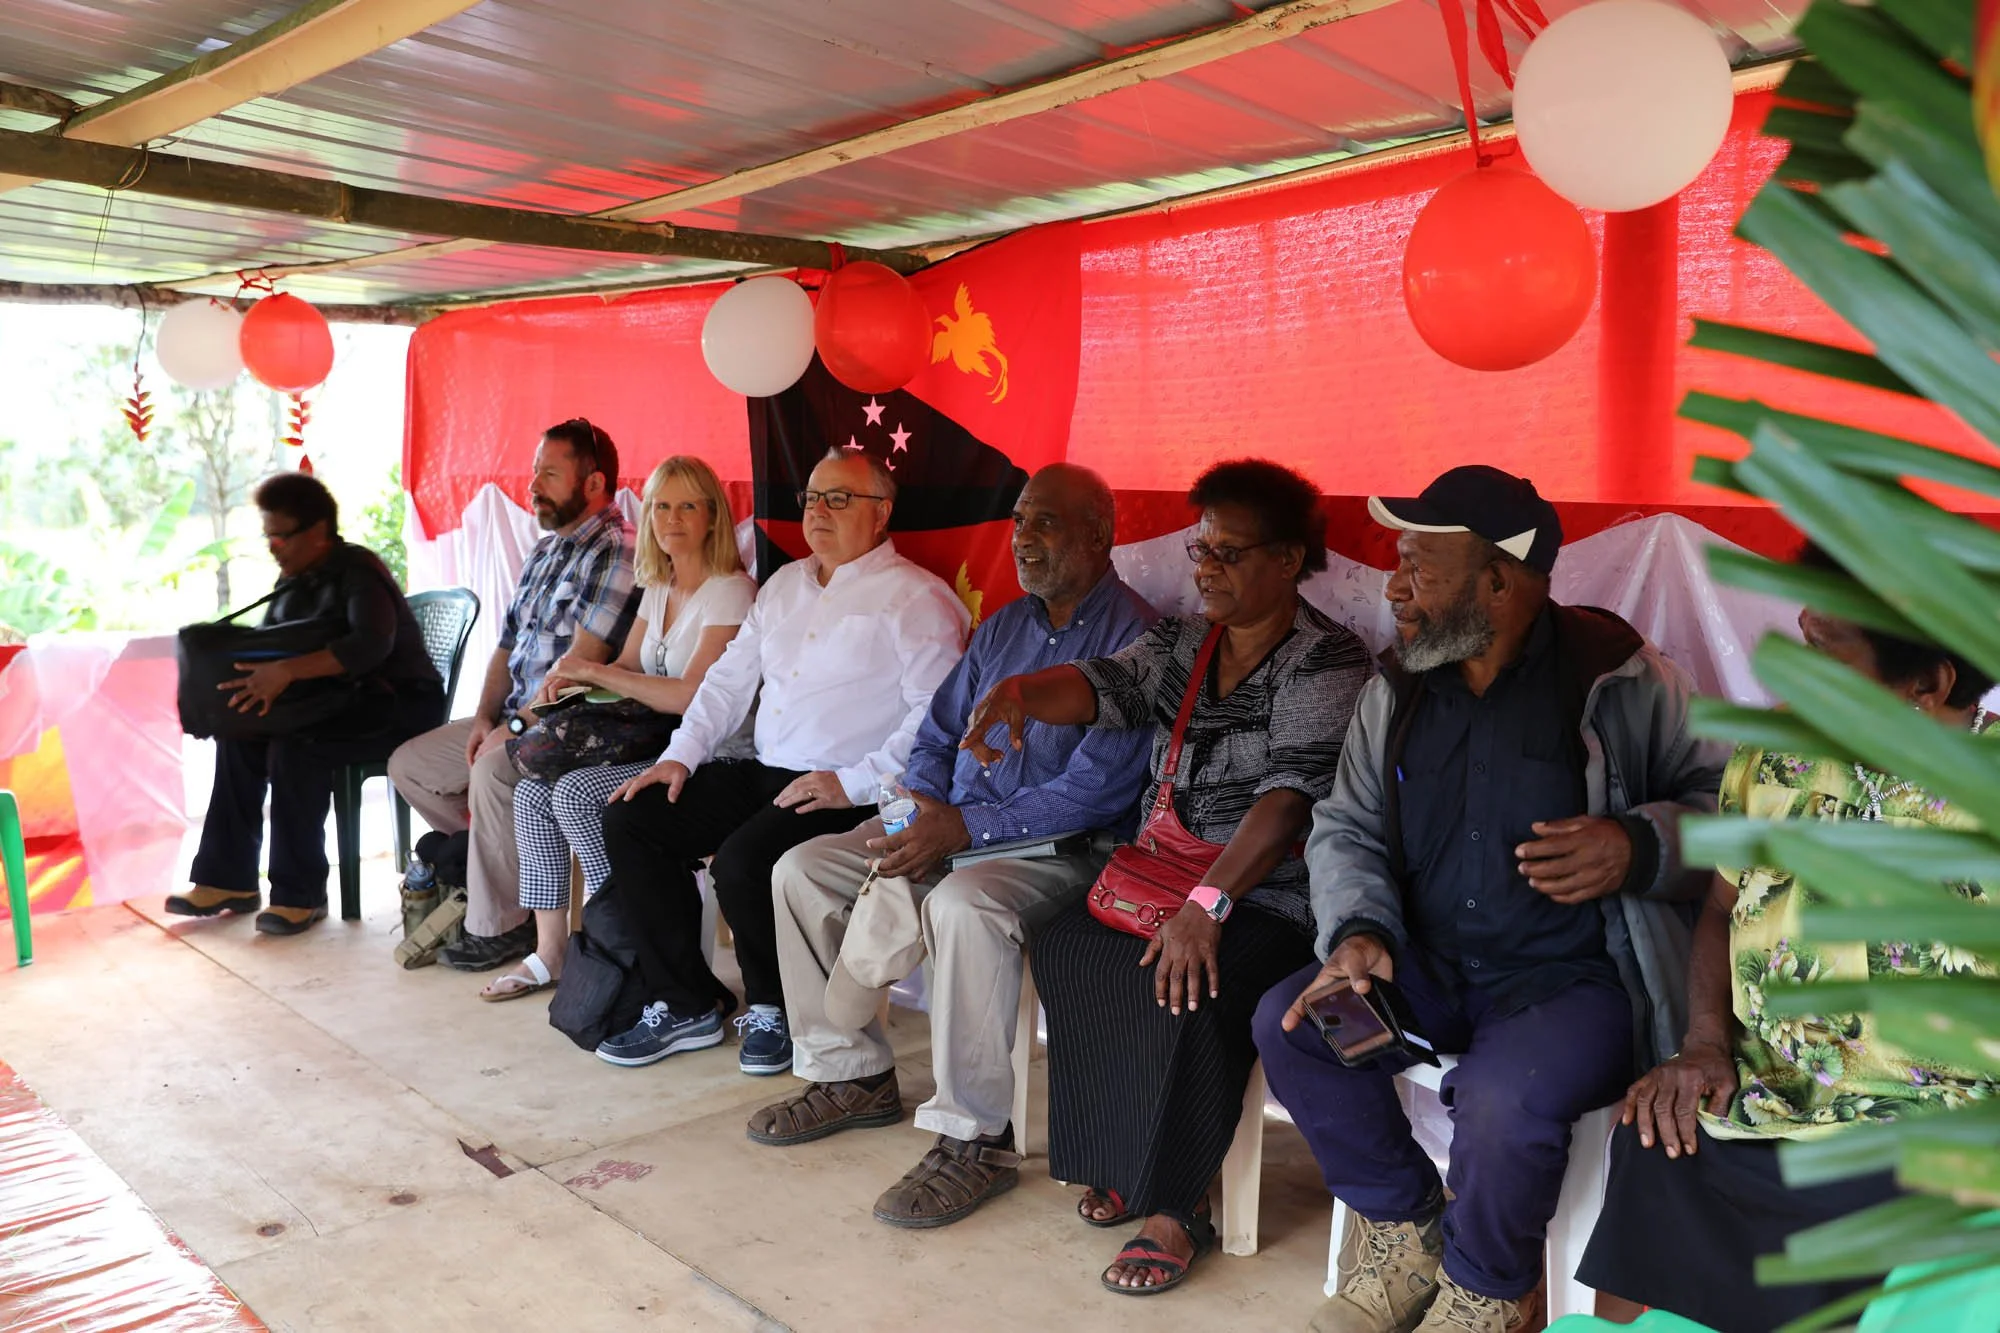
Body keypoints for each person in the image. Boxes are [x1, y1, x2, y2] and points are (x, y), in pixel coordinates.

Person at [1250, 465, 1728, 1333]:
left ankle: (1486, 1290)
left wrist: (1639, 845)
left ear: (1499, 581)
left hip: (1573, 982)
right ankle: (1404, 1229)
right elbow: (1346, 826)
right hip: (1424, 966)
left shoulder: (1618, 677)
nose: (1393, 586)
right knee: (1298, 1023)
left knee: (1507, 1098)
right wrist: (1357, 930)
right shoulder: (1397, 688)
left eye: (1418, 566)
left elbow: (1733, 815)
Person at [964, 459, 1373, 1295]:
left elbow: (1289, 802)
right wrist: (1018, 691)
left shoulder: (1325, 658)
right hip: (1165, 874)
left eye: (1228, 550)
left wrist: (1207, 905)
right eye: (1201, 548)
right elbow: (1101, 686)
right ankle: (1125, 1157)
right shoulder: (1185, 640)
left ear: (1290, 559)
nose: (1206, 566)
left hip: (1267, 895)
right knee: (1070, 945)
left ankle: (1179, 1206)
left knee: (1193, 982)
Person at [1577, 543, 1999, 1333]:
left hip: (1931, 1124)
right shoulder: (1777, 751)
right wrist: (1703, 1041)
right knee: (1654, 1136)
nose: (1794, 652)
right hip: (1773, 1089)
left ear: (1929, 685)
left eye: (1825, 646)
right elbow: (1718, 910)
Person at [746, 464, 1157, 1229]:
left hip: (1062, 850)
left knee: (965, 903)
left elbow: (1096, 791)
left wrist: (961, 832)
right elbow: (935, 735)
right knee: (804, 868)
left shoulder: (1135, 638)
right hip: (954, 821)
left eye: (1046, 523)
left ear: (1100, 535)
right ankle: (851, 1075)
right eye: (1019, 522)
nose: (1024, 540)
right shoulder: (1004, 626)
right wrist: (926, 813)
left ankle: (975, 1139)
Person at [594, 448, 968, 1074]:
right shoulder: (784, 585)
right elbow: (726, 684)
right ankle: (686, 1000)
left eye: (839, 499)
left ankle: (775, 1009)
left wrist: (851, 783)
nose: (819, 512)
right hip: (767, 771)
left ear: (882, 513)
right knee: (636, 816)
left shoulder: (915, 597)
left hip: (849, 788)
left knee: (744, 861)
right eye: (813, 498)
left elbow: (935, 720)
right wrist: (679, 757)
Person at [478, 456, 755, 1001]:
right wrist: (569, 684)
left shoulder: (731, 591)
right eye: (660, 507)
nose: (671, 519)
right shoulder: (660, 583)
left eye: (687, 506)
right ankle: (552, 950)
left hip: (715, 755)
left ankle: (626, 936)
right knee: (535, 793)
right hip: (656, 740)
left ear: (713, 517)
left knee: (577, 793)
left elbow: (692, 695)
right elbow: (627, 669)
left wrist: (594, 670)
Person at [388, 419, 638, 971]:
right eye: (534, 472)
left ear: (594, 483)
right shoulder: (545, 551)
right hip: (514, 717)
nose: (533, 485)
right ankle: (502, 869)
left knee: (495, 768)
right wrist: (483, 717)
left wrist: (517, 728)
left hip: (570, 722)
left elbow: (583, 667)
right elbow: (505, 647)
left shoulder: (617, 549)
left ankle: (502, 926)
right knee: (408, 765)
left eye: (549, 473)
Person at [169, 472, 446, 935]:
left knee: (297, 747)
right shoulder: (295, 580)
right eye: (268, 535)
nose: (273, 546)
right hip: (338, 705)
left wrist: (288, 673)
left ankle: (301, 895)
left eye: (281, 535)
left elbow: (369, 647)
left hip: (397, 708)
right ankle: (228, 879)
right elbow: (270, 643)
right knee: (240, 737)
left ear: (317, 532)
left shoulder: (360, 572)